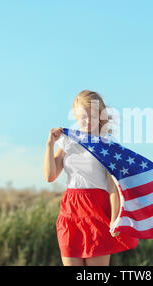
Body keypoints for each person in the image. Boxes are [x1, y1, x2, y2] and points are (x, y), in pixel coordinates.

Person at [43, 90, 139, 266]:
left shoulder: (107, 144)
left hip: (97, 210)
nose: (87, 121)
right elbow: (50, 176)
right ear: (75, 116)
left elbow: (113, 187)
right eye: (82, 117)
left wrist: (115, 218)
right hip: (70, 211)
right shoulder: (67, 140)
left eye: (92, 116)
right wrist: (50, 144)